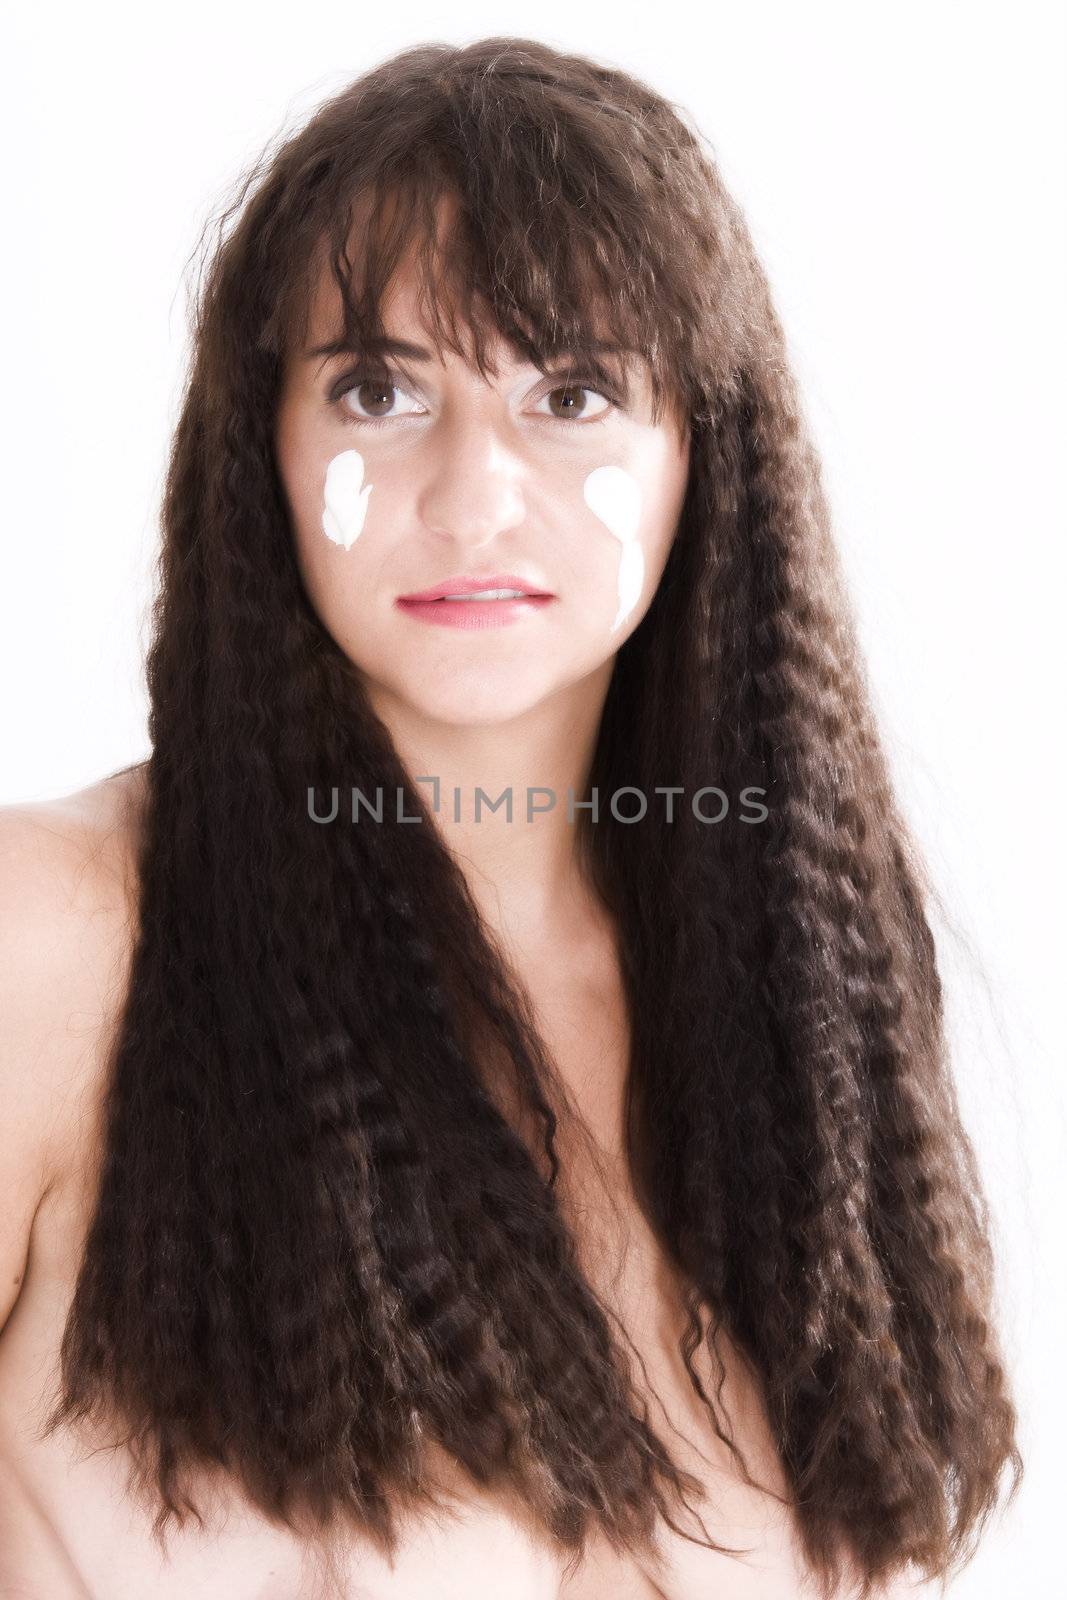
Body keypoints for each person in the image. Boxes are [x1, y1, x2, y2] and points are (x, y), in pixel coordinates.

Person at [0, 34, 1021, 1600]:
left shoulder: (801, 1009)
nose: (475, 494)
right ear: (259, 447)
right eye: (379, 387)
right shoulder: (56, 940)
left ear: (705, 456)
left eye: (573, 389)